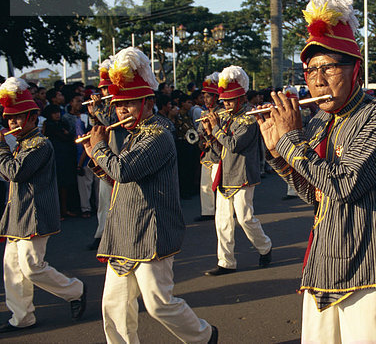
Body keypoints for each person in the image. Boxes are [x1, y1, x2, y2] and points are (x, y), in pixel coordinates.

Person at [258, 0, 376, 342]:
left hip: (371, 262)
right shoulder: (318, 122)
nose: (318, 79)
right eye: (311, 70)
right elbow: (315, 193)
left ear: (354, 69)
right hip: (324, 259)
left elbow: (345, 184)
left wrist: (289, 142)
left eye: (328, 67)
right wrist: (279, 154)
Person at [82, 47, 217, 343]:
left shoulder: (159, 134)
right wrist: (95, 156)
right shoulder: (134, 134)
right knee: (113, 306)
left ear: (148, 102)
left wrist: (101, 149)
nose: (122, 111)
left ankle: (203, 336)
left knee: (158, 303)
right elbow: (118, 178)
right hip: (122, 231)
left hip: (149, 231)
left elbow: (124, 170)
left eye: (129, 104)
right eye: (118, 105)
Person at [0, 77, 86, 333]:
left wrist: (1, 147)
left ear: (32, 117)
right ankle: (22, 316)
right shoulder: (21, 143)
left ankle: (75, 290)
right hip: (17, 211)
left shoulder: (40, 143)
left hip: (35, 213)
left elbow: (15, 172)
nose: (13, 123)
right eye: (10, 119)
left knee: (31, 266)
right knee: (11, 269)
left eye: (18, 118)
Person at [202, 65, 272, 276]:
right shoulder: (223, 117)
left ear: (241, 99)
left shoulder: (249, 118)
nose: (225, 105)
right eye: (223, 101)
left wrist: (215, 129)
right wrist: (208, 133)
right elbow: (218, 149)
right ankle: (226, 262)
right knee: (222, 221)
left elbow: (234, 144)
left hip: (242, 174)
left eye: (230, 101)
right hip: (224, 173)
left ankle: (265, 247)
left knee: (245, 218)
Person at [85, 59, 128, 250]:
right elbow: (97, 127)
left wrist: (97, 110)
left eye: (106, 89)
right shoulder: (104, 106)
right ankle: (101, 233)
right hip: (105, 156)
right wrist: (93, 114)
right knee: (103, 199)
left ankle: (120, 234)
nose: (104, 93)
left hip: (120, 155)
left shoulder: (119, 105)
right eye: (102, 90)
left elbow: (111, 121)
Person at [195, 72, 222, 222]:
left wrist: (211, 131)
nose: (205, 99)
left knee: (217, 185)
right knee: (205, 185)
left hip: (218, 153)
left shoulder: (222, 113)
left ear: (216, 97)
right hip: (207, 154)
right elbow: (200, 131)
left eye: (208, 96)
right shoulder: (204, 112)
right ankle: (207, 212)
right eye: (204, 97)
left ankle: (221, 211)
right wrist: (201, 139)